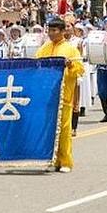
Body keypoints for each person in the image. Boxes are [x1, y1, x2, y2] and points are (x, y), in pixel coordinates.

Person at [35, 18, 85, 173]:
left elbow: (80, 70)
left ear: (62, 31)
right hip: (48, 96)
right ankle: (52, 160)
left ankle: (65, 161)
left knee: (63, 130)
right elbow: (36, 67)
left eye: (54, 30)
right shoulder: (44, 48)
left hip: (64, 96)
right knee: (49, 131)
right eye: (49, 30)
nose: (51, 33)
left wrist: (70, 66)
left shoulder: (70, 49)